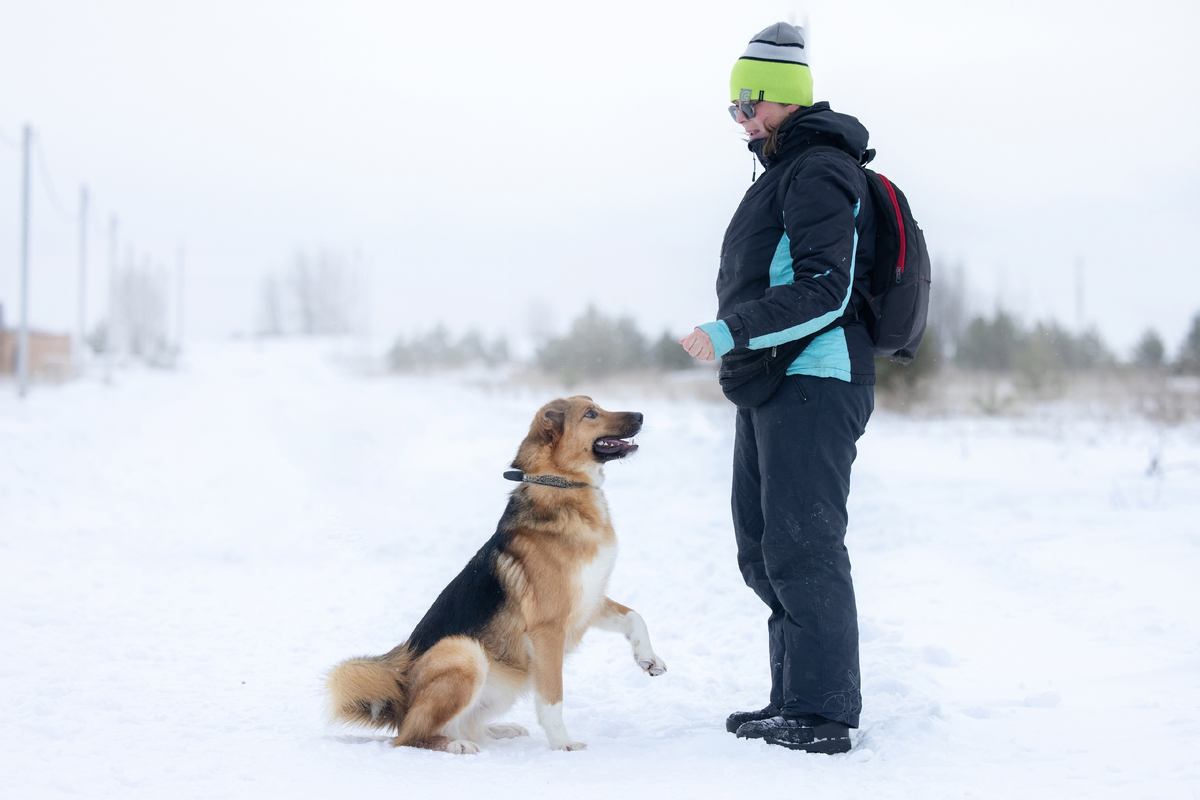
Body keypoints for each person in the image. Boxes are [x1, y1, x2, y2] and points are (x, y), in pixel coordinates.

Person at [679, 22, 876, 754]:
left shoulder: (819, 168)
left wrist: (732, 331)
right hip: (773, 379)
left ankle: (823, 714)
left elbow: (828, 288)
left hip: (816, 377)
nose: (740, 120)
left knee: (804, 544)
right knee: (762, 547)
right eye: (733, 108)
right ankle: (793, 697)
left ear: (782, 98)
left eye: (748, 105)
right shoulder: (782, 171)